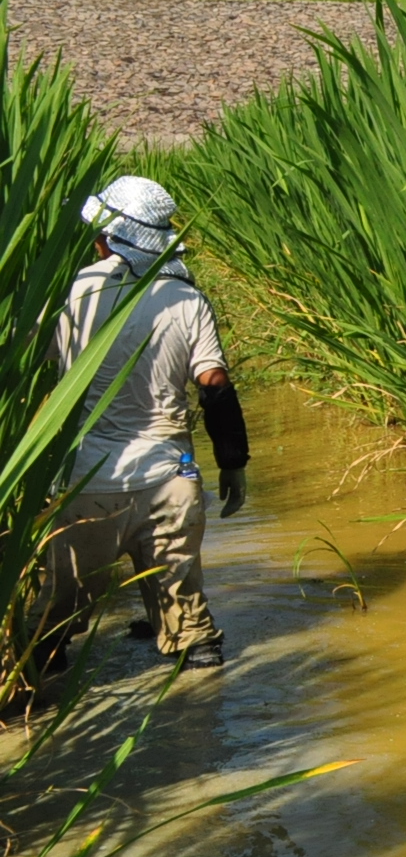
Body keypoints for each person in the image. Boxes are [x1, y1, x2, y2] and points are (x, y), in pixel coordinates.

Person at [30, 175, 249, 673]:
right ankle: (198, 716)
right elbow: (214, 385)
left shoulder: (77, 290)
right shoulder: (186, 300)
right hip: (171, 482)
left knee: (53, 620)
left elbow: (31, 356)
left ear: (105, 238)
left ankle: (32, 708)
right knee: (191, 622)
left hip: (90, 484)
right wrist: (233, 463)